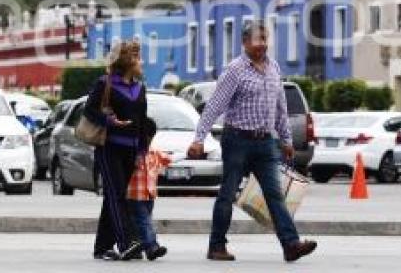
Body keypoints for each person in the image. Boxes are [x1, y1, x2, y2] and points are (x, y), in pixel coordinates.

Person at [187, 19, 317, 263]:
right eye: (258, 40)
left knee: (275, 195)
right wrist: (199, 138)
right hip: (237, 140)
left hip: (266, 143)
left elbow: (280, 108)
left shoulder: (274, 68)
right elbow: (215, 105)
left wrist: (286, 139)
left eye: (265, 39)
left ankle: (291, 245)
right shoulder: (235, 70)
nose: (263, 45)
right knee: (227, 193)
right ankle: (216, 246)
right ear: (245, 42)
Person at [84, 40, 147, 261]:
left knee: (113, 196)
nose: (142, 61)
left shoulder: (140, 88)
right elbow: (89, 111)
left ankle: (102, 247)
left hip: (130, 151)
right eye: (138, 57)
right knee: (118, 195)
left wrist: (142, 152)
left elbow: (143, 123)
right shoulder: (105, 83)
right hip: (109, 148)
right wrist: (109, 121)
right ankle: (126, 242)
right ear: (128, 61)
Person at [126, 117, 171, 261]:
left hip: (149, 195)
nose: (148, 141)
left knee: (140, 222)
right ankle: (152, 247)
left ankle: (137, 248)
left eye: (150, 138)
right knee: (145, 221)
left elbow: (169, 159)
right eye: (145, 137)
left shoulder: (154, 152)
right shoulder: (131, 152)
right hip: (134, 195)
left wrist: (190, 155)